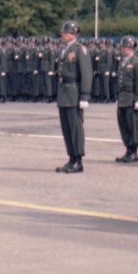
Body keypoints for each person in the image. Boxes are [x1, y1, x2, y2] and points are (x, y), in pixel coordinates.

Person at [54, 20, 92, 173]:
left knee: (75, 128)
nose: (63, 34)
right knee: (67, 128)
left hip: (74, 93)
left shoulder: (80, 50)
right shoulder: (66, 50)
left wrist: (84, 96)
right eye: (63, 32)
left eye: (66, 32)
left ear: (73, 34)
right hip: (64, 93)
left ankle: (78, 160)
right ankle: (71, 158)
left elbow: (86, 73)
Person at [114, 36, 138, 163]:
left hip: (131, 97)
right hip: (123, 97)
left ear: (129, 48)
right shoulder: (123, 61)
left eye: (124, 46)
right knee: (123, 125)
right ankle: (128, 149)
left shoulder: (136, 62)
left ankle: (133, 152)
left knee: (132, 125)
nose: (122, 49)